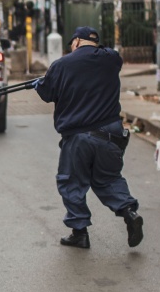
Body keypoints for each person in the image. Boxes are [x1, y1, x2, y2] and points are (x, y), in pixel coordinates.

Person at [33, 26, 143, 250]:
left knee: (72, 182)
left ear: (75, 42)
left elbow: (47, 94)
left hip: (78, 137)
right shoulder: (112, 59)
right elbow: (104, 55)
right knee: (110, 179)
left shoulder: (62, 65)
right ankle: (129, 212)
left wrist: (40, 83)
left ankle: (79, 233)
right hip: (111, 134)